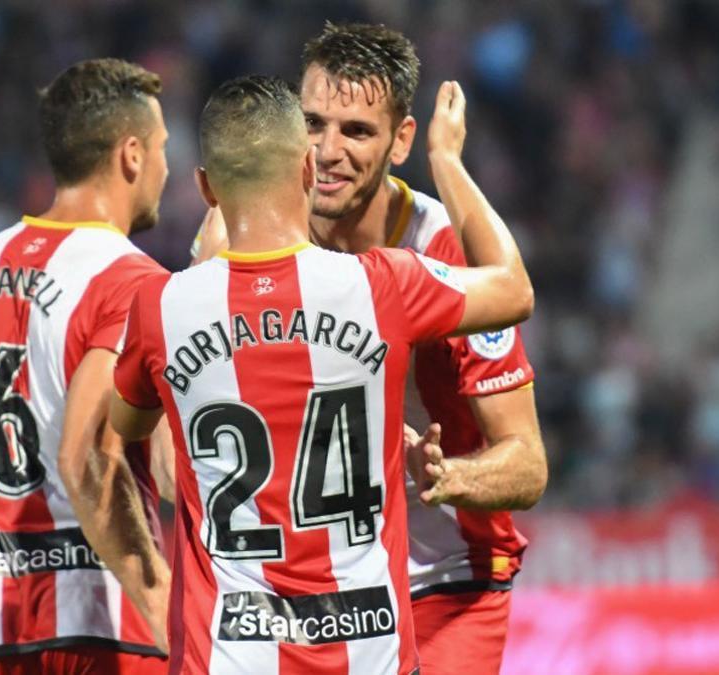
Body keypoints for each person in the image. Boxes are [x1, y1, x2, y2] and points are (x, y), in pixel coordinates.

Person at [111, 74, 532, 675]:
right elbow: (514, 287)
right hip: (367, 645)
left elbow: (126, 424)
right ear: (307, 172)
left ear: (206, 188)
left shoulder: (160, 307)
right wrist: (447, 159)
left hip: (230, 650)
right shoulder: (383, 283)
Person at [0, 58, 171, 674]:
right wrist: (166, 605)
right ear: (131, 155)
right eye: (164, 147)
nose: (167, 166)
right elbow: (139, 469)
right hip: (102, 619)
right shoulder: (132, 280)